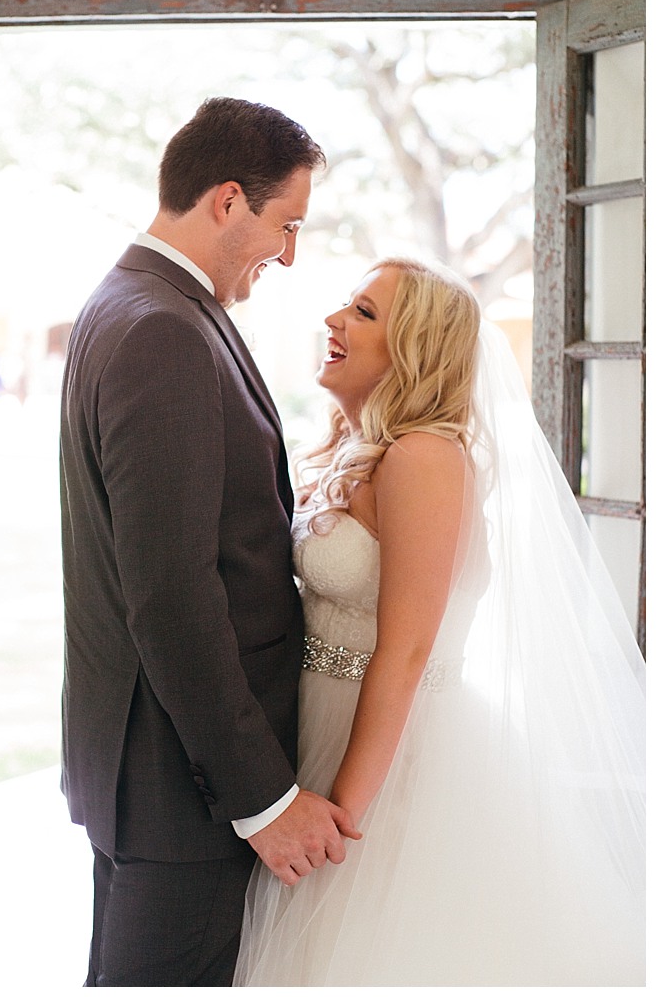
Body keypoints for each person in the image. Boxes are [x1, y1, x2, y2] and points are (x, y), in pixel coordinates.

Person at [235, 258, 645, 985]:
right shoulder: (351, 449)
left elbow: (409, 648)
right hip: (316, 731)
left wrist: (343, 821)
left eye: (363, 313)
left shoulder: (425, 458)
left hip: (391, 762)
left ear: (414, 349)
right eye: (344, 306)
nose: (334, 320)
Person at [59, 97, 359, 987]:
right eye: (286, 224)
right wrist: (263, 801)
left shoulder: (135, 304)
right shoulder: (162, 329)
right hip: (182, 789)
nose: (290, 253)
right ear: (229, 200)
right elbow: (173, 595)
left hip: (150, 771)